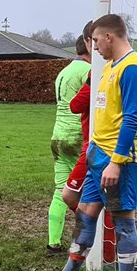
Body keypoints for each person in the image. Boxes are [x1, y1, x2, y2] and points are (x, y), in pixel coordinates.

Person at [36, 14, 137, 271]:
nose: (94, 46)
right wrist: (93, 153)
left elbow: (132, 118)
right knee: (85, 214)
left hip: (121, 160)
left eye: (96, 39)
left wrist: (116, 161)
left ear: (110, 36)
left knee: (123, 221)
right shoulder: (108, 68)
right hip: (97, 156)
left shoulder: (134, 68)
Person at [47, 35, 91, 253]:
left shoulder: (63, 72)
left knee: (60, 190)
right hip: (77, 136)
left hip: (57, 135)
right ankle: (102, 234)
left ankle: (53, 242)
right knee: (93, 188)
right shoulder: (87, 71)